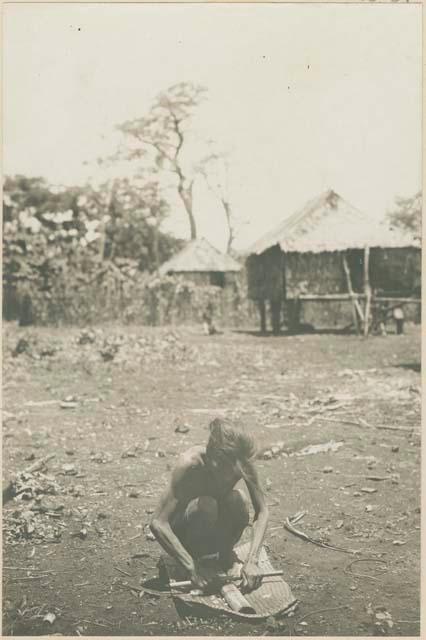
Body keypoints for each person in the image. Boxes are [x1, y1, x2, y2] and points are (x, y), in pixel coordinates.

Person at [150, 418, 269, 592]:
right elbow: (158, 523)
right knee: (206, 505)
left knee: (238, 499)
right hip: (187, 534)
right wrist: (192, 567)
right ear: (212, 452)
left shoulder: (241, 462)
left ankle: (223, 555)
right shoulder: (190, 464)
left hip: (215, 531)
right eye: (223, 467)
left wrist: (252, 560)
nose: (229, 474)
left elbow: (263, 511)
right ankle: (196, 562)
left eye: (233, 467)